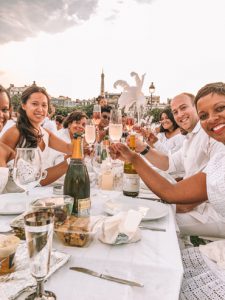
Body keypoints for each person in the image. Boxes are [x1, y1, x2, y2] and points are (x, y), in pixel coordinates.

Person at [110, 82, 225, 238]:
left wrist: (181, 204)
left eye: (184, 108)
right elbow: (169, 164)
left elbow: (197, 189)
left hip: (208, 210)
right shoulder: (191, 138)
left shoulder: (211, 137)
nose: (179, 115)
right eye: (175, 111)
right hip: (190, 200)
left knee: (151, 223)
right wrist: (143, 149)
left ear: (194, 110)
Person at [0, 85, 73, 188]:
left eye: (44, 105)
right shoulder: (15, 132)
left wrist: (85, 143)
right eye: (34, 104)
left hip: (36, 192)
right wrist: (69, 162)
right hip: (16, 196)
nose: (40, 109)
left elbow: (69, 148)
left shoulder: (45, 133)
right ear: (24, 105)